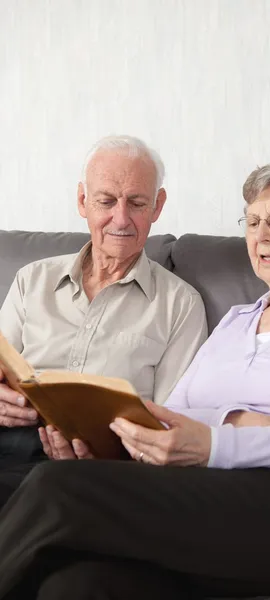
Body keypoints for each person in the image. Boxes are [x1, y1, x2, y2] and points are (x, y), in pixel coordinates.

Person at [0, 161, 270, 600]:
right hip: (209, 492)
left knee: (55, 488)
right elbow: (173, 415)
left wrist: (218, 442)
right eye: (251, 222)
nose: (261, 235)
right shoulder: (235, 320)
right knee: (75, 583)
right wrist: (108, 452)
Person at [0, 135, 207, 506]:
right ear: (83, 201)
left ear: (158, 205)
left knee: (46, 493)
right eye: (106, 201)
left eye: (137, 203)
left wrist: (107, 456)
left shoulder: (181, 304)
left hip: (99, 469)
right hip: (10, 442)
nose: (121, 219)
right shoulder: (32, 280)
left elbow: (170, 426)